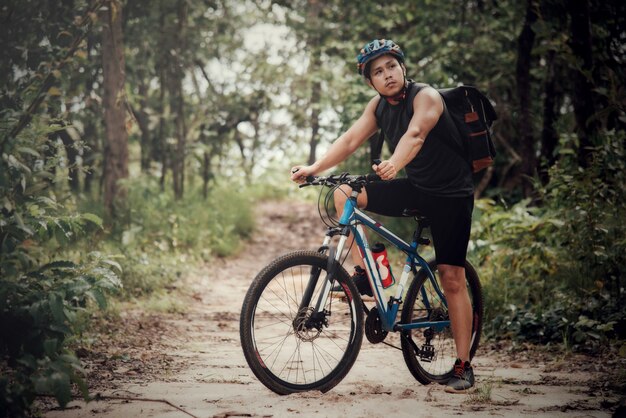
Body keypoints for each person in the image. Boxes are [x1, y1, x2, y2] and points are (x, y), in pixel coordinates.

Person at [290, 39, 476, 393]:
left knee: (452, 277)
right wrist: (314, 167)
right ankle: (365, 272)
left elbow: (416, 134)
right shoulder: (378, 107)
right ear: (371, 81)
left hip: (452, 195)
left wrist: (394, 164)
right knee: (344, 192)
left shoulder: (427, 97)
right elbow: (349, 141)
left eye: (392, 66)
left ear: (403, 68)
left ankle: (463, 365)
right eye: (378, 71)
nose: (387, 74)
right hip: (417, 187)